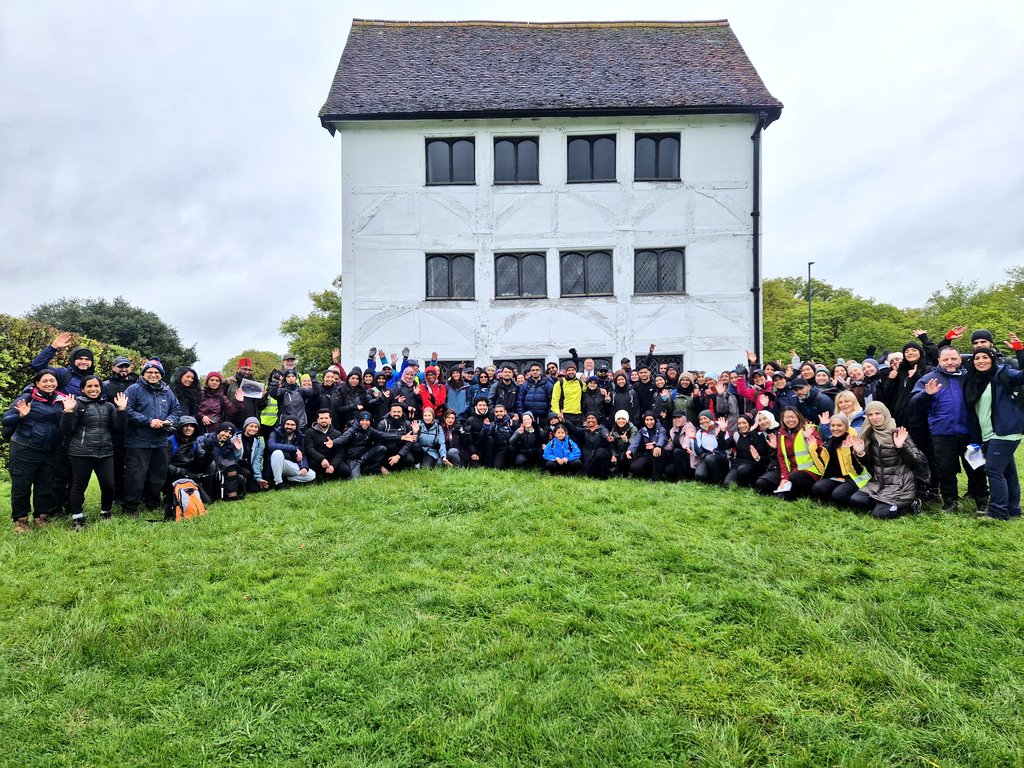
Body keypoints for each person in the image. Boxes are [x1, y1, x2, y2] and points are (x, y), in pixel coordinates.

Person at [910, 345, 988, 512]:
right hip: (942, 433)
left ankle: (982, 501)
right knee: (946, 470)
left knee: (976, 467)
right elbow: (913, 403)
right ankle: (950, 502)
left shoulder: (970, 377)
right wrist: (926, 394)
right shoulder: (929, 378)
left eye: (953, 359)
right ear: (939, 360)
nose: (950, 362)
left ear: (960, 359)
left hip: (970, 433)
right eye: (945, 359)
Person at [961, 347, 1024, 521]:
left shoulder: (1003, 374)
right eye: (977, 358)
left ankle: (997, 512)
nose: (981, 361)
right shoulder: (974, 380)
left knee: (994, 470)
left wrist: (1020, 351)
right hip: (988, 434)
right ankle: (1013, 509)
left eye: (985, 357)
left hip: (1005, 431)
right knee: (1007, 471)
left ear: (993, 358)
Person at [60, 375, 128, 529]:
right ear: (83, 389)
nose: (93, 389)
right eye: (89, 386)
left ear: (100, 388)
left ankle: (106, 513)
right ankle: (78, 518)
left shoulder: (109, 406)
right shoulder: (77, 404)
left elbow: (119, 428)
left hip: (105, 452)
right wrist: (68, 412)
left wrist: (122, 410)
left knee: (109, 485)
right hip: (81, 452)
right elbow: (66, 430)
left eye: (96, 386)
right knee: (79, 485)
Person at [3, 369, 66, 531]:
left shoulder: (62, 400)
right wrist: (21, 415)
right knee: (22, 485)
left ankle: (41, 517)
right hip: (26, 448)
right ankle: (21, 520)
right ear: (37, 383)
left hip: (51, 450)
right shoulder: (27, 398)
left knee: (45, 485)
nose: (49, 384)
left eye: (52, 380)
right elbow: (7, 419)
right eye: (44, 381)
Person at [849, 401, 926, 519]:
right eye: (870, 414)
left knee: (880, 514)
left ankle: (910, 504)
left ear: (885, 413)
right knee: (856, 500)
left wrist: (901, 447)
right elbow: (871, 464)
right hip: (878, 483)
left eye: (878, 413)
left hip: (900, 484)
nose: (874, 418)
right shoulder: (870, 433)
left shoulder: (898, 433)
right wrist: (861, 453)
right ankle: (883, 503)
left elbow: (917, 462)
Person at [123, 360, 180, 517]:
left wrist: (170, 420)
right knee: (136, 475)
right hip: (138, 441)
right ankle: (130, 507)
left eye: (157, 373)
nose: (153, 375)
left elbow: (176, 410)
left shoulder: (167, 392)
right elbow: (126, 410)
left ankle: (152, 503)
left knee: (158, 474)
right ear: (144, 374)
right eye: (149, 372)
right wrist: (148, 421)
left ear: (161, 375)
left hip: (160, 440)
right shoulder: (133, 389)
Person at [809, 413, 871, 507]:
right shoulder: (829, 444)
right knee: (817, 488)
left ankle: (849, 497)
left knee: (838, 495)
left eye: (839, 425)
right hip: (837, 477)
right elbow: (822, 469)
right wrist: (812, 451)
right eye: (833, 425)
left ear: (846, 427)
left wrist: (847, 450)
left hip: (854, 478)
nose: (835, 428)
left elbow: (857, 470)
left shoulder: (854, 441)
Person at [103, 356, 138, 507]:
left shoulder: (137, 384)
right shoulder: (106, 385)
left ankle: (133, 493)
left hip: (134, 428)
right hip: (114, 431)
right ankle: (117, 495)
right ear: (113, 368)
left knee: (134, 464)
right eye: (120, 366)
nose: (123, 369)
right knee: (116, 464)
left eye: (126, 366)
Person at [769, 407, 823, 501]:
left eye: (793, 417)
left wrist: (809, 438)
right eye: (787, 417)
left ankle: (812, 492)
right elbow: (781, 457)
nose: (790, 420)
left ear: (799, 417)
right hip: (793, 472)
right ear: (782, 419)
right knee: (783, 497)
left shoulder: (808, 429)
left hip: (811, 471)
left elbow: (821, 450)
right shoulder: (781, 433)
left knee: (794, 477)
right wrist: (784, 478)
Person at [721, 413, 769, 489]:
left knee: (743, 470)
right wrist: (722, 432)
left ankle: (748, 485)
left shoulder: (759, 435)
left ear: (750, 423)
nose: (742, 425)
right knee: (727, 484)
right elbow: (723, 446)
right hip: (738, 465)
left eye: (744, 423)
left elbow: (761, 451)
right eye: (739, 423)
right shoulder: (736, 435)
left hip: (754, 465)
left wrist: (753, 432)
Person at [267, 416, 316, 487]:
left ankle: (287, 480)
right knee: (277, 453)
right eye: (287, 424)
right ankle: (278, 483)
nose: (289, 426)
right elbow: (271, 446)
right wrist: (294, 448)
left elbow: (303, 455)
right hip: (276, 464)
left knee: (311, 475)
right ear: (283, 424)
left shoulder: (300, 437)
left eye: (292, 425)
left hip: (289, 464)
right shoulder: (275, 433)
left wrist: (304, 467)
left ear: (296, 426)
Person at [565, 412, 612, 479]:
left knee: (601, 452)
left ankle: (603, 477)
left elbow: (606, 434)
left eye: (592, 418)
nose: (590, 420)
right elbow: (574, 428)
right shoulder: (584, 431)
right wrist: (564, 421)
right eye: (588, 418)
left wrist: (608, 438)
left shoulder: (602, 429)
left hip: (601, 460)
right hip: (588, 461)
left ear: (596, 420)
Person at [304, 408, 347, 480]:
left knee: (345, 470)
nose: (324, 420)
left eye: (326, 418)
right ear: (317, 420)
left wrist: (333, 465)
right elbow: (309, 449)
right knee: (312, 466)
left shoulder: (337, 433)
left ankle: (330, 475)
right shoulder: (309, 432)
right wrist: (322, 459)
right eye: (321, 418)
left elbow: (340, 453)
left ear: (330, 420)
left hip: (332, 460)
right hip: (317, 460)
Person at [626, 411, 667, 481]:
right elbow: (636, 441)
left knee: (656, 451)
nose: (649, 422)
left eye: (651, 419)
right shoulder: (642, 430)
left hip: (661, 455)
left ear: (655, 420)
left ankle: (656, 478)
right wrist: (630, 450)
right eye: (647, 420)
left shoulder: (661, 429)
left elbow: (662, 439)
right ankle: (648, 474)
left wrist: (657, 446)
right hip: (647, 455)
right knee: (635, 467)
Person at [236, 417, 268, 492]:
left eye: (256, 427)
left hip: (250, 467)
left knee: (256, 490)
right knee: (245, 474)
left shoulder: (259, 441)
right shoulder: (236, 439)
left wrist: (258, 478)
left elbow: (257, 460)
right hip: (237, 466)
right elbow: (235, 457)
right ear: (245, 427)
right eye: (251, 426)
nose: (253, 429)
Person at [551, 362, 585, 427]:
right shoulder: (559, 383)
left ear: (576, 371)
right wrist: (558, 413)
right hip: (565, 415)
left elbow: (590, 389)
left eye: (573, 370)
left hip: (578, 415)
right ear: (566, 372)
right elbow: (554, 401)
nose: (571, 372)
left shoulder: (581, 383)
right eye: (569, 370)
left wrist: (601, 389)